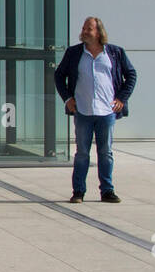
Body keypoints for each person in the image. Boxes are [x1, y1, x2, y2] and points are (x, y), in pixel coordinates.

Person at [54, 17, 137, 205]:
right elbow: (59, 75)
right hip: (83, 111)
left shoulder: (115, 53)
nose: (84, 31)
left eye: (88, 28)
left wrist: (122, 99)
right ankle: (78, 192)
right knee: (82, 153)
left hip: (106, 112)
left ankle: (107, 191)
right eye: (83, 28)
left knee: (106, 152)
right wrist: (67, 98)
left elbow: (131, 74)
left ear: (98, 32)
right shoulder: (74, 53)